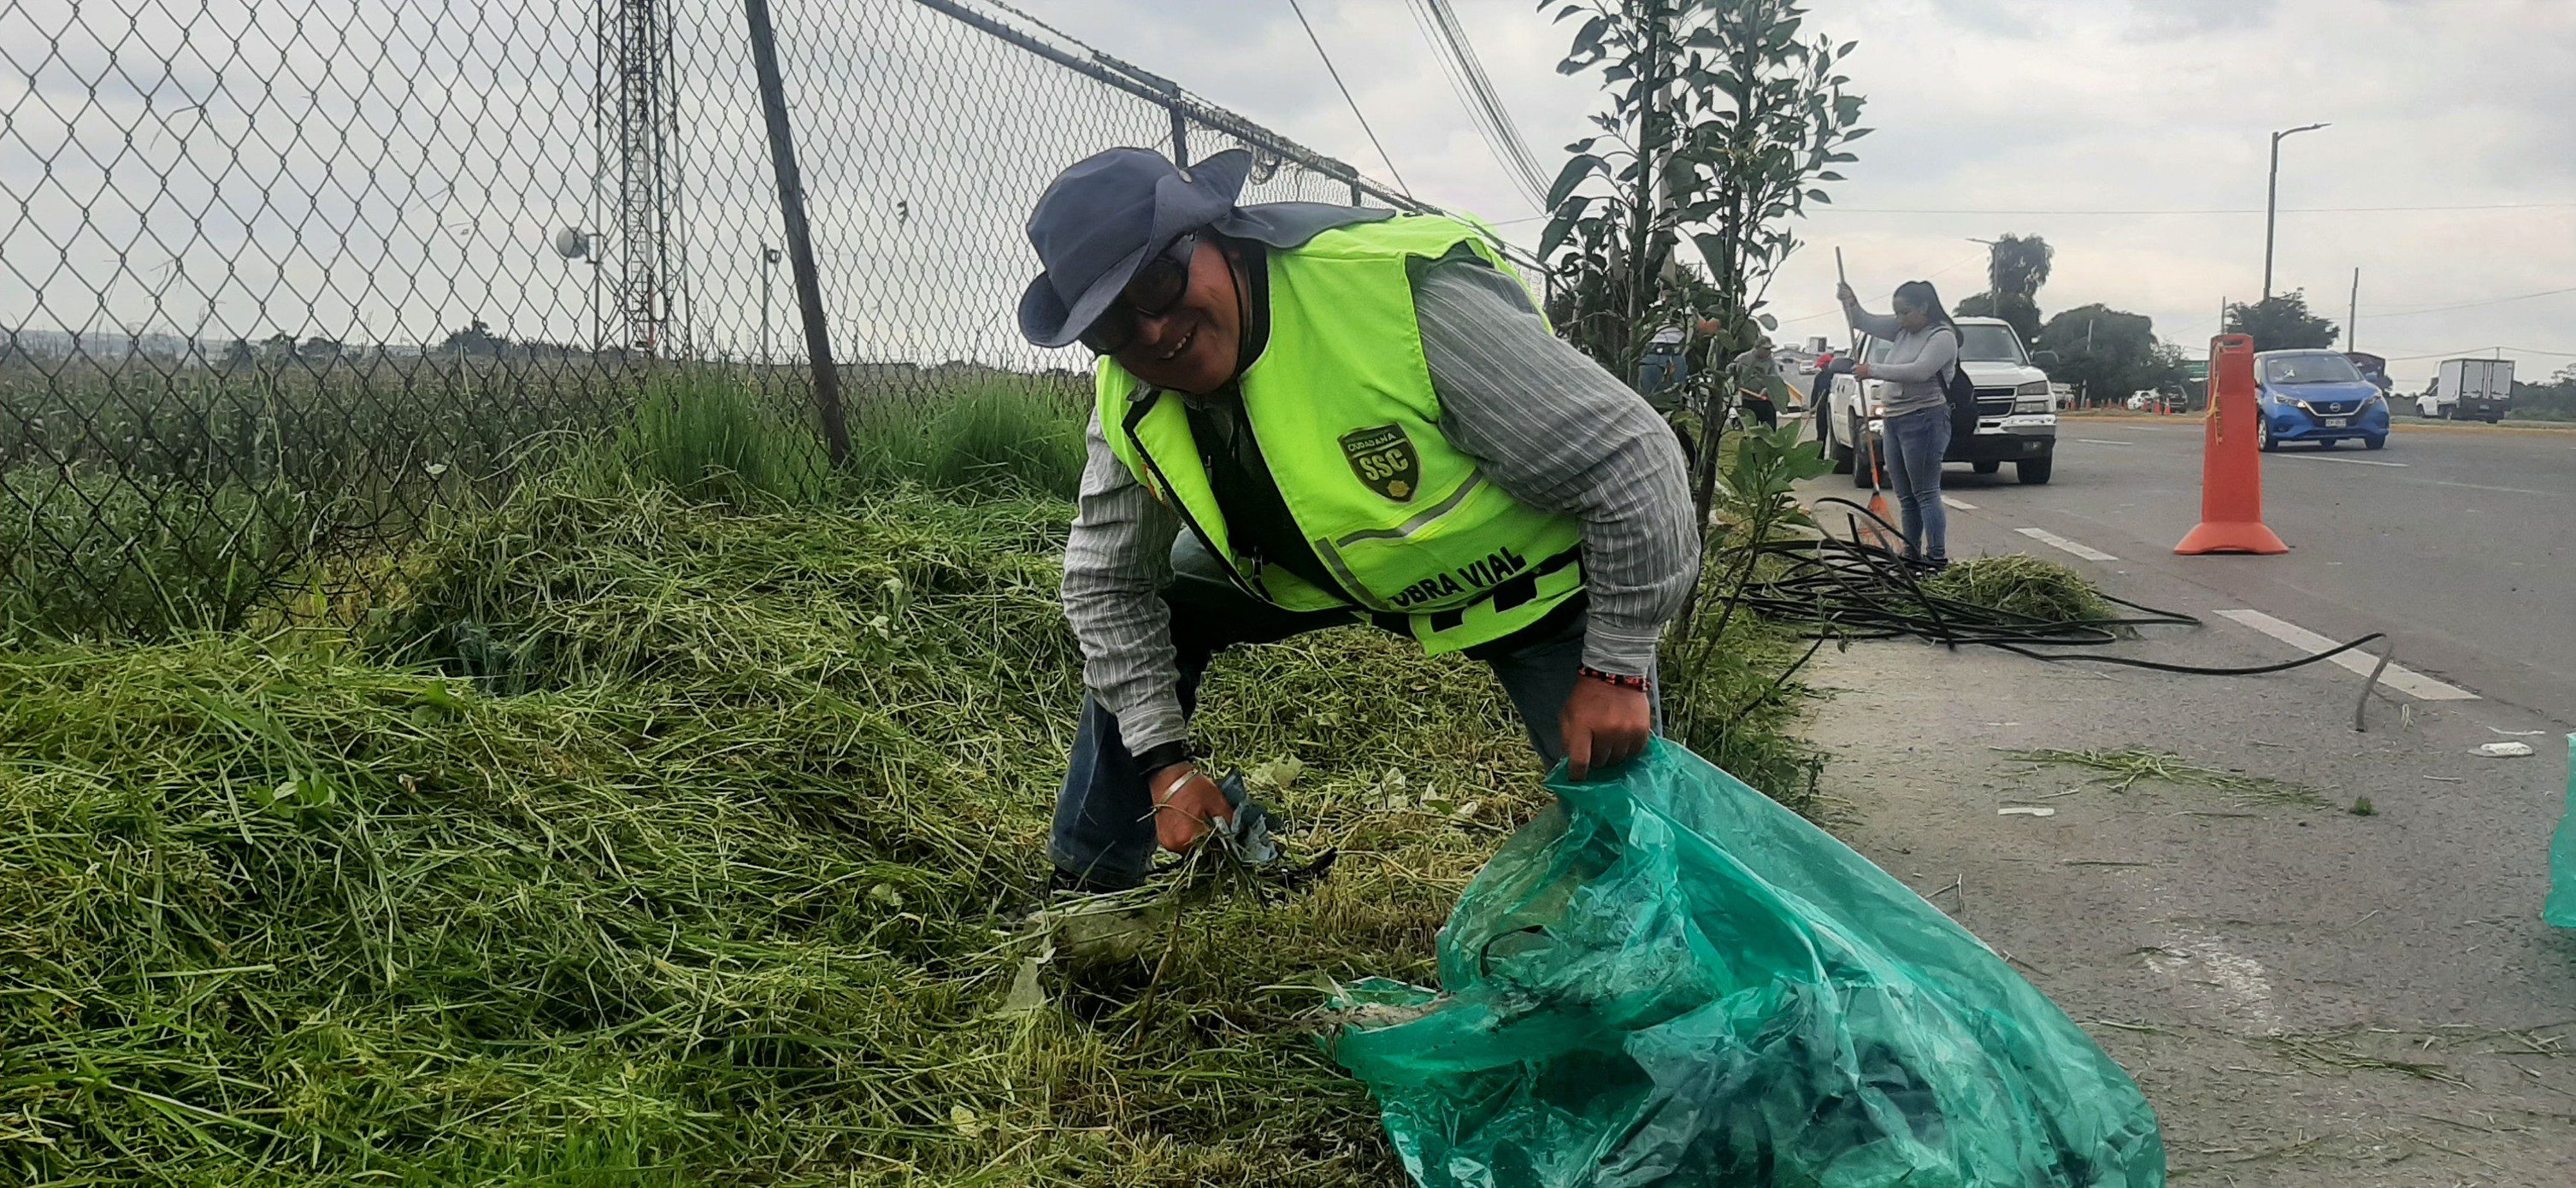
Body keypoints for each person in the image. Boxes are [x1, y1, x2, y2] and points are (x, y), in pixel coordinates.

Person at [1016, 148, 1699, 892]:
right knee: (1159, 605)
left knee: (1628, 844)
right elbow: (1104, 586)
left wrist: (1616, 666)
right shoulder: (1130, 395)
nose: (1150, 332)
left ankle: (1652, 954)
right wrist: (1165, 768)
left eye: (1157, 281)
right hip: (1316, 569)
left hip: (1535, 593)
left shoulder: (1397, 300)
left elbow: (1633, 461)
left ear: (1214, 234)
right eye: (1109, 324)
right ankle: (1088, 884)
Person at [1833, 279, 1960, 568]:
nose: (1899, 319)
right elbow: (1863, 322)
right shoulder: (1903, 330)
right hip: (1894, 419)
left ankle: (1936, 557)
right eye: (1896, 313)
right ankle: (1911, 554)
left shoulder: (1941, 336)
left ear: (1924, 308)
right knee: (1905, 495)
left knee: (1925, 492)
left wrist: (1872, 370)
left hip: (1925, 419)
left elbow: (1919, 371)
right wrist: (1849, 302)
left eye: (1904, 312)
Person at [1727, 339, 1781, 430]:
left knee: (1769, 430)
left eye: (1770, 349)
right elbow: (1730, 370)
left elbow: (1776, 380)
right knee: (1750, 429)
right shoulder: (1743, 358)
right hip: (1748, 400)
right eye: (1766, 349)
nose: (1769, 352)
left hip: (1765, 401)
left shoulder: (1771, 361)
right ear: (1757, 348)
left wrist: (1767, 389)